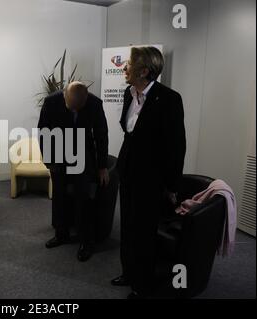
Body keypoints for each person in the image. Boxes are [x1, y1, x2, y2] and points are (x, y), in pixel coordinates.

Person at [110, 46, 186, 299]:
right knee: (128, 228)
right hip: (128, 173)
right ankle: (129, 273)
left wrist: (172, 186)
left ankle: (143, 284)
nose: (124, 67)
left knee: (143, 232)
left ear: (144, 70)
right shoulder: (128, 94)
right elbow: (129, 133)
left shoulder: (169, 99)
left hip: (151, 180)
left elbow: (176, 146)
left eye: (129, 64)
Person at [37, 81, 109, 262]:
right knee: (59, 195)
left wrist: (102, 166)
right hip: (58, 153)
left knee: (83, 198)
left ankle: (86, 241)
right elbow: (43, 131)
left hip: (83, 155)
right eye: (71, 107)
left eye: (79, 108)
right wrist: (49, 160)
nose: (75, 111)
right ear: (64, 96)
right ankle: (61, 234)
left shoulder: (95, 103)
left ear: (86, 98)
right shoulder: (51, 102)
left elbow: (101, 135)